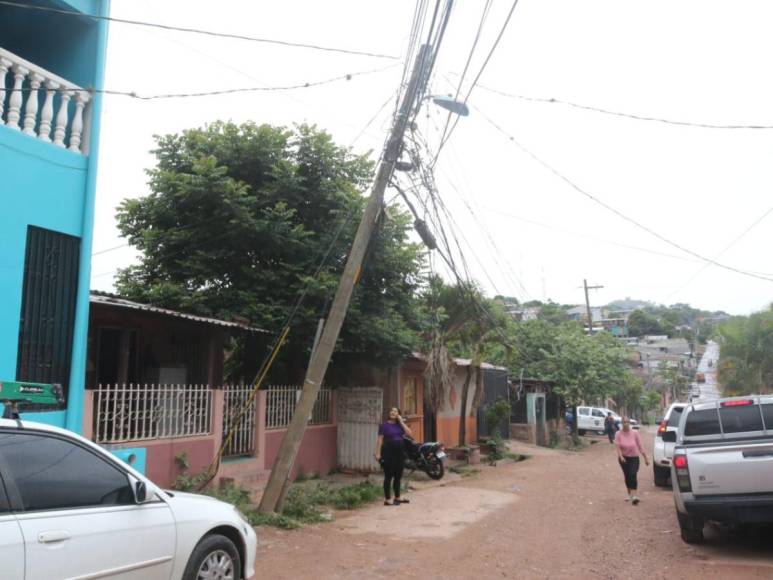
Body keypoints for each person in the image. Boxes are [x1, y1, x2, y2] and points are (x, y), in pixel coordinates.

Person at [375, 407, 413, 506]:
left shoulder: (400, 426)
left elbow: (409, 433)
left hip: (399, 454)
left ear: (398, 414)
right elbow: (380, 440)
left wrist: (401, 421)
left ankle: (397, 497)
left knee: (398, 476)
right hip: (388, 453)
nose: (392, 412)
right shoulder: (384, 426)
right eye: (391, 410)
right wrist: (378, 454)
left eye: (395, 411)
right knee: (388, 476)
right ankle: (387, 499)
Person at [614, 416, 649, 505]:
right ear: (621, 423)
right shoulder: (618, 433)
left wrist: (645, 458)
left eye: (627, 422)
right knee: (627, 476)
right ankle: (630, 495)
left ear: (629, 423)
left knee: (632, 474)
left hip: (634, 458)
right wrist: (621, 456)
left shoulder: (635, 433)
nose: (625, 424)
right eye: (624, 422)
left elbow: (640, 446)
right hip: (624, 458)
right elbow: (617, 447)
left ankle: (634, 496)